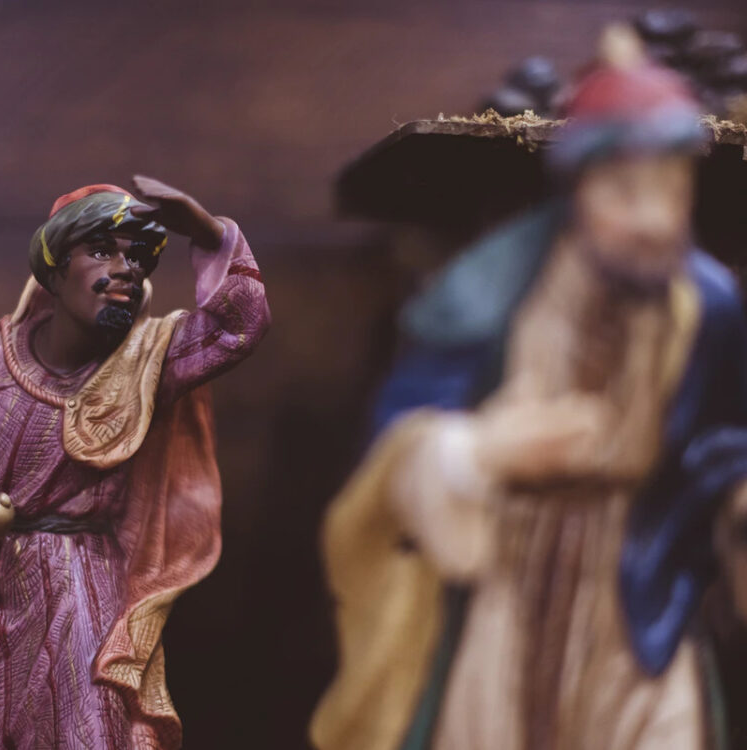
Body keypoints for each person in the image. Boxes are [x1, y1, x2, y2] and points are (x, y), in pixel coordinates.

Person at [312, 28, 747, 750]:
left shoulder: (708, 307)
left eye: (672, 190)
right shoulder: (490, 294)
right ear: (578, 189)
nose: (653, 219)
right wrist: (480, 453)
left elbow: (721, 438)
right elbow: (395, 440)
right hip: (505, 587)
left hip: (644, 595)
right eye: (627, 192)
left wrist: (734, 495)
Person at [0, 177, 270, 749]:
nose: (125, 270)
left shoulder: (147, 364)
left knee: (88, 727)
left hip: (81, 594)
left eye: (137, 258)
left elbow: (238, 326)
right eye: (100, 251)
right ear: (53, 269)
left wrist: (206, 230)